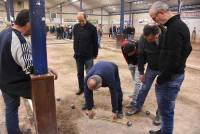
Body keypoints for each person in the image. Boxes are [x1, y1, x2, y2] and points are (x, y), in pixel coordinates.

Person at [0, 9, 57, 134]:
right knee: (42, 99)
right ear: (28, 23)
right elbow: (29, 67)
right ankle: (46, 128)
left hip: (4, 79)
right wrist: (46, 69)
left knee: (11, 108)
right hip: (16, 81)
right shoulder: (19, 40)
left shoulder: (4, 32)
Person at [149, 1, 192, 134]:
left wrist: (163, 78)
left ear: (161, 13)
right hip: (173, 75)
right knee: (165, 111)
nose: (155, 22)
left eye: (155, 18)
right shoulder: (176, 26)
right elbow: (188, 49)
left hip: (170, 78)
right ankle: (163, 131)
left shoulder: (175, 28)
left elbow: (173, 59)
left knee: (166, 113)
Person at [126, 24, 166, 126]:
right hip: (151, 68)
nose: (148, 41)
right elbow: (141, 56)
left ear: (157, 35)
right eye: (147, 39)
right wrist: (141, 72)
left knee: (162, 93)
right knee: (144, 88)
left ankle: (159, 115)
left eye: (151, 39)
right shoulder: (143, 39)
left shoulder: (166, 36)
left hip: (164, 70)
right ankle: (137, 107)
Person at [73, 12, 98, 95]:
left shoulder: (92, 28)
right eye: (79, 21)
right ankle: (81, 88)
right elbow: (75, 41)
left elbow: (95, 42)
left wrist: (95, 54)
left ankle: (88, 90)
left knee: (89, 74)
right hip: (78, 56)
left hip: (88, 56)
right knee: (79, 74)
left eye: (82, 21)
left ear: (86, 18)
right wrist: (75, 51)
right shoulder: (75, 27)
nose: (81, 23)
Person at [119, 38, 142, 109]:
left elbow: (143, 59)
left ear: (134, 50)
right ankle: (136, 93)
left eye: (130, 53)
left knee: (138, 82)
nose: (129, 55)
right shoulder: (123, 46)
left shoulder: (140, 47)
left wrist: (141, 70)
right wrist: (129, 64)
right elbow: (125, 56)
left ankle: (134, 101)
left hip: (139, 63)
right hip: (131, 64)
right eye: (127, 53)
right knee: (135, 80)